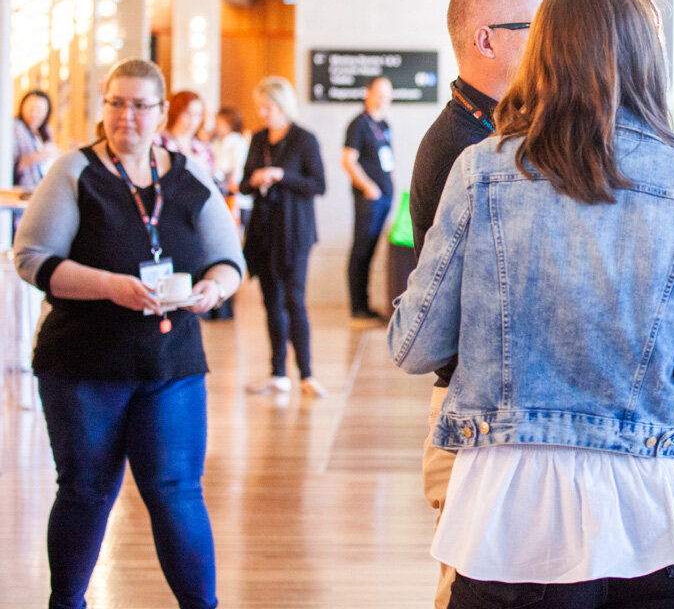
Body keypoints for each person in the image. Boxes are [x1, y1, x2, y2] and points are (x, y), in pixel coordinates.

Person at [390, 0, 674, 609]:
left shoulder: (479, 171)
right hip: (663, 510)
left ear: (543, 54)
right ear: (649, 57)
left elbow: (414, 346)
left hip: (512, 513)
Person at [13, 58, 243, 609]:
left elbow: (228, 260)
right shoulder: (74, 172)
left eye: (140, 105)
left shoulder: (188, 175)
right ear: (104, 108)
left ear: (162, 113)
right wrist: (109, 286)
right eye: (116, 103)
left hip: (172, 366)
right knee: (87, 492)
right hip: (83, 368)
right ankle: (66, 602)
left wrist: (213, 290)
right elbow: (32, 259)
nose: (127, 117)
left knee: (177, 493)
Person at [407, 0, 544, 609]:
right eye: (535, 27)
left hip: (493, 408)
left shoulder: (498, 133)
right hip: (473, 413)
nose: (549, 42)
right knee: (467, 588)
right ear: (487, 41)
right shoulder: (465, 150)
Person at [241, 76, 327, 398]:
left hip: (294, 233)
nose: (263, 113)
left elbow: (318, 185)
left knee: (295, 302)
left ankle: (306, 373)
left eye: (268, 107)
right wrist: (257, 178)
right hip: (264, 231)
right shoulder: (258, 139)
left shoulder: (305, 139)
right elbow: (243, 183)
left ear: (282, 106)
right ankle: (277, 372)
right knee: (271, 303)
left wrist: (282, 175)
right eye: (261, 108)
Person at [342, 76, 394, 321]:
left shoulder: (384, 125)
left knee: (372, 251)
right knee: (361, 251)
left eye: (388, 93)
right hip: (369, 199)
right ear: (368, 93)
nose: (384, 98)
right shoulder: (358, 125)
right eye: (380, 93)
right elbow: (348, 160)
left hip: (385, 197)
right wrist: (369, 187)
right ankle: (358, 308)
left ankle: (366, 305)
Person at [12, 89, 58, 230]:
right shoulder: (16, 129)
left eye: (40, 110)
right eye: (31, 108)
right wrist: (38, 156)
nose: (34, 113)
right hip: (21, 194)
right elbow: (11, 166)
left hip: (41, 194)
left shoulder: (45, 132)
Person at [160, 91, 217, 182]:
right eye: (187, 114)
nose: (193, 121)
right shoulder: (161, 142)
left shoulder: (204, 148)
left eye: (198, 115)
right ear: (175, 112)